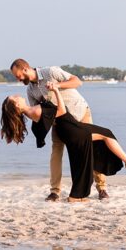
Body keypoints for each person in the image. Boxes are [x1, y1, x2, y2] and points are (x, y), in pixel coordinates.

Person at [0, 82, 126, 202]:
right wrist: (56, 91)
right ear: (17, 106)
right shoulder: (34, 111)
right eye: (14, 98)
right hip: (72, 129)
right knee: (106, 136)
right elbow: (61, 111)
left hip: (71, 127)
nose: (18, 95)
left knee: (104, 136)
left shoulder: (32, 110)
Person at [10, 59, 109, 201]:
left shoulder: (50, 72)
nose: (17, 79)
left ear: (25, 69)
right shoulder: (30, 91)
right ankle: (55, 191)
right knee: (56, 152)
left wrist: (58, 85)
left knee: (92, 148)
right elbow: (39, 114)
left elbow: (77, 82)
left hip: (80, 112)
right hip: (60, 123)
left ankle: (102, 188)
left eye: (17, 75)